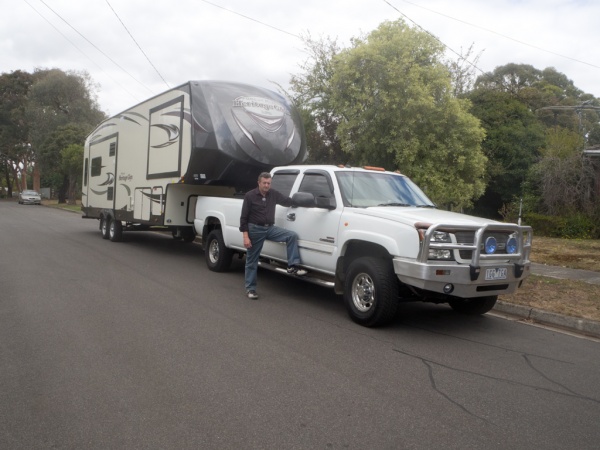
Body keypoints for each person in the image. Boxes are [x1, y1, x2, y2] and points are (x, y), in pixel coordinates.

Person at [239, 172, 307, 299]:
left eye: (268, 183)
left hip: (269, 228)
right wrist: (245, 236)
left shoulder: (273, 194)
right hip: (255, 229)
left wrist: (303, 202)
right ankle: (251, 289)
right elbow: (243, 218)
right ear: (258, 183)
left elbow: (288, 201)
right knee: (252, 261)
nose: (266, 185)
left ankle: (292, 266)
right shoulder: (250, 196)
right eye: (264, 183)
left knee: (291, 236)